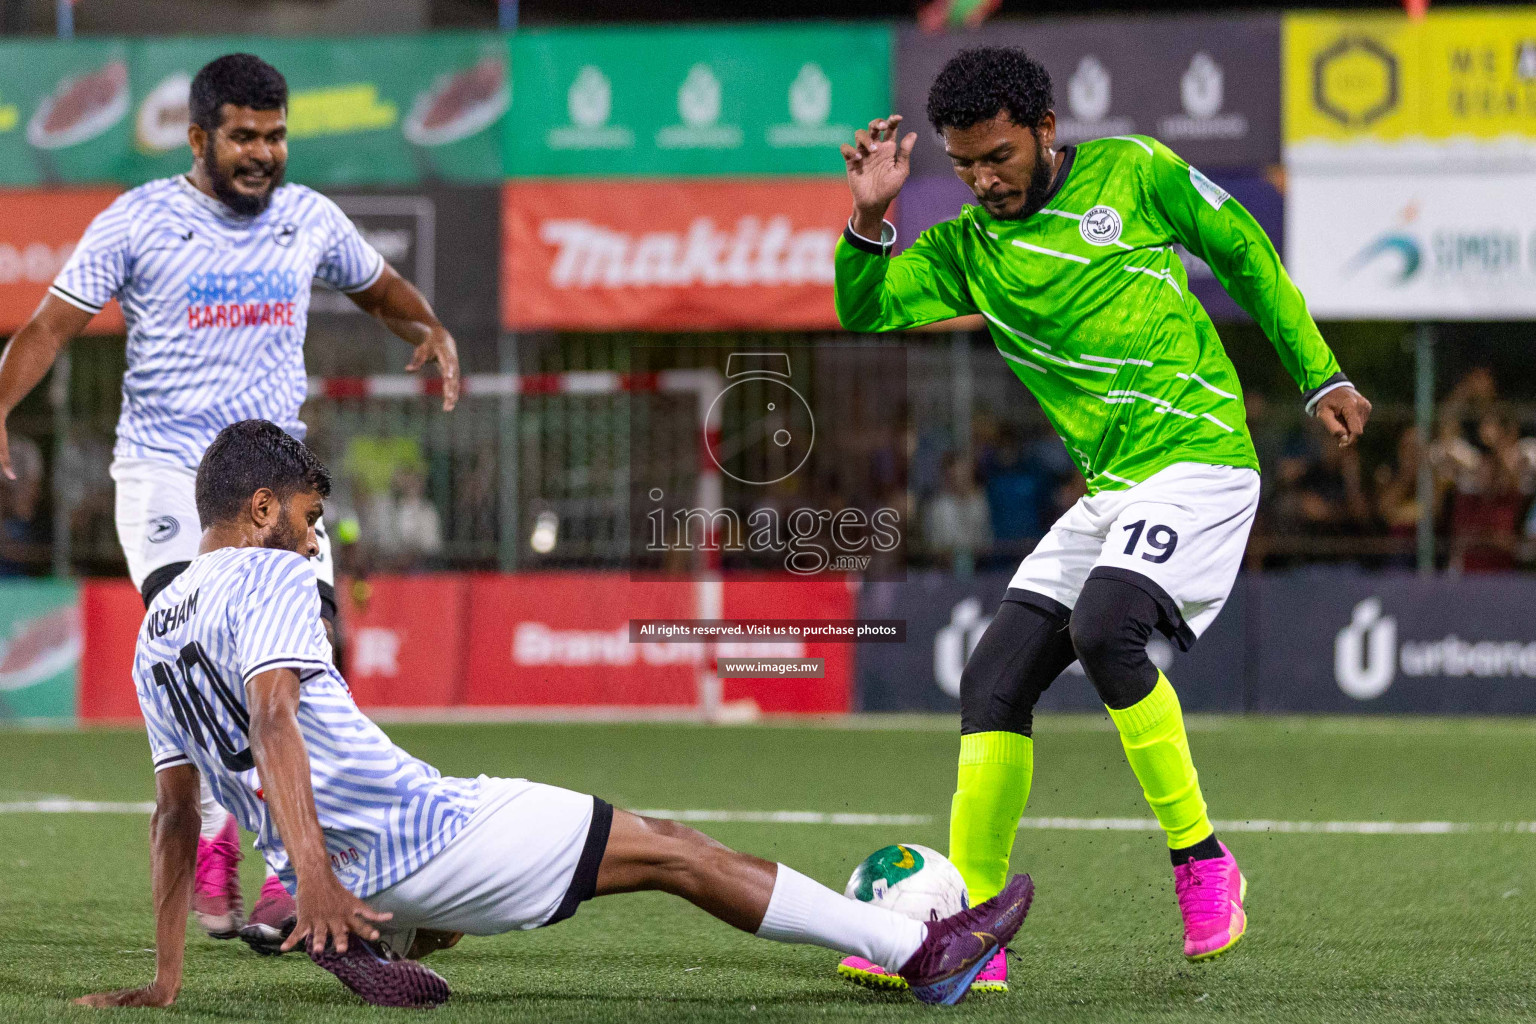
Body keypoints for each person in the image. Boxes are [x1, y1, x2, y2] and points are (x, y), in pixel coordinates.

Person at [72, 420, 1034, 1010]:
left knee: (475, 889)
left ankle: (388, 930)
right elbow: (275, 719)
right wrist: (319, 880)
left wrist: (165, 978)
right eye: (312, 517)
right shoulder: (274, 572)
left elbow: (172, 816)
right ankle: (924, 950)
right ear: (260, 507)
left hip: (354, 861)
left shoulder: (153, 630)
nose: (318, 537)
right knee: (674, 851)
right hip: (410, 841)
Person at [832, 47, 1372, 991]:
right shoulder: (968, 248)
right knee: (993, 680)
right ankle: (971, 938)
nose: (982, 179)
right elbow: (867, 310)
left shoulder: (1136, 171)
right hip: (1114, 490)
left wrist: (1319, 370)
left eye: (997, 156)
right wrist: (870, 220)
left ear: (1045, 129)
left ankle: (1205, 863)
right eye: (962, 165)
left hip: (1200, 460)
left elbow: (1242, 249)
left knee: (1107, 627)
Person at [0, 54, 461, 953]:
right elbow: (51, 325)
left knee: (304, 676)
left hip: (276, 486)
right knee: (211, 661)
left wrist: (430, 327)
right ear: (200, 136)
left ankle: (302, 865)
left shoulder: (308, 219)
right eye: (244, 136)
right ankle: (224, 831)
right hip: (169, 480)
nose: (263, 153)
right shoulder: (137, 220)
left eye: (276, 135)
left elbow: (378, 289)